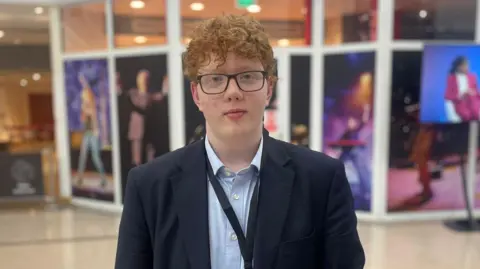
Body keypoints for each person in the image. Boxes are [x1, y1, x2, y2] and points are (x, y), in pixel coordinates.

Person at [115, 15, 365, 269]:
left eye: (247, 76)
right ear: (196, 94)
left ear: (268, 87)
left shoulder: (321, 179)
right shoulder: (148, 186)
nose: (233, 92)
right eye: (215, 79)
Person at [75, 73, 107, 189]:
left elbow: (93, 117)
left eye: (84, 95)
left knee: (95, 157)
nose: (83, 97)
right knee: (82, 156)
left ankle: (103, 179)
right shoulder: (85, 106)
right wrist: (83, 111)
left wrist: (96, 130)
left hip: (93, 133)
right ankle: (79, 178)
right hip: (86, 133)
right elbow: (83, 119)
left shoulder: (92, 104)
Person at [444, 56, 480, 121]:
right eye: (465, 66)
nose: (468, 68)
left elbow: (476, 91)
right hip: (460, 101)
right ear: (459, 67)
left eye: (468, 65)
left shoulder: (472, 76)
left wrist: (473, 92)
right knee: (465, 114)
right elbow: (448, 95)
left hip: (473, 100)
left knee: (475, 111)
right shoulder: (451, 78)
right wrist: (461, 95)